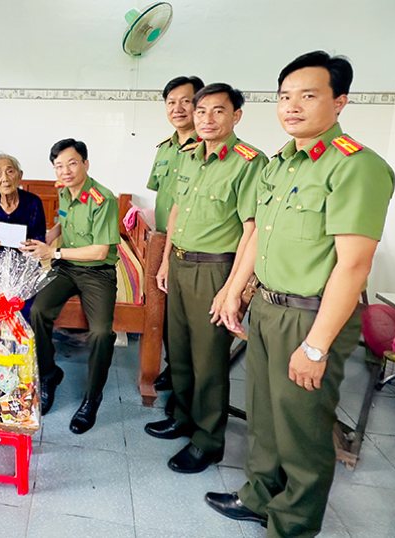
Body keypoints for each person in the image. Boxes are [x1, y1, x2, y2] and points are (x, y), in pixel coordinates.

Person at [206, 51, 395, 538]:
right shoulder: (281, 163)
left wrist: (316, 346)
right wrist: (235, 292)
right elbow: (258, 237)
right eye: (285, 96)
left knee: (305, 431)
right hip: (268, 307)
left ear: (339, 102)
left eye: (307, 96)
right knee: (266, 417)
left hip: (311, 317)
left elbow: (353, 265)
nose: (291, 106)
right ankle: (258, 496)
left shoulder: (357, 167)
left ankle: (291, 524)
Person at [144, 83, 268, 474]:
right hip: (179, 263)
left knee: (209, 359)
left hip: (215, 268)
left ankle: (208, 440)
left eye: (218, 111)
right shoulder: (190, 155)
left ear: (236, 116)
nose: (207, 119)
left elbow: (252, 230)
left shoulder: (249, 162)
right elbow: (177, 210)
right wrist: (165, 262)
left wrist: (232, 289)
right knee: (178, 350)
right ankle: (182, 416)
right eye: (201, 112)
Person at [21, 138, 120, 435]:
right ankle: (50, 374)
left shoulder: (104, 199)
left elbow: (100, 251)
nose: (65, 171)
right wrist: (46, 239)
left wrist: (55, 253)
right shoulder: (64, 192)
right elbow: (63, 222)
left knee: (102, 332)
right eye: (59, 166)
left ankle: (92, 397)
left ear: (86, 164)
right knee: (37, 310)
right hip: (67, 267)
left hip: (97, 272)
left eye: (72, 163)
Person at [147, 76, 205, 404]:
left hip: (195, 244)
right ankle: (173, 367)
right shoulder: (165, 149)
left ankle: (189, 383)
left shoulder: (208, 147)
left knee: (191, 321)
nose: (178, 108)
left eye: (186, 101)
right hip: (163, 239)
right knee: (169, 312)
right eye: (171, 102)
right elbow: (162, 194)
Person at [0, 153, 47, 321]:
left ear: (19, 175)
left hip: (25, 266)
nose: (5, 178)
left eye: (10, 171)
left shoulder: (33, 203)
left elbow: (40, 238)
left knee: (26, 308)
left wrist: (32, 245)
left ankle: (22, 342)